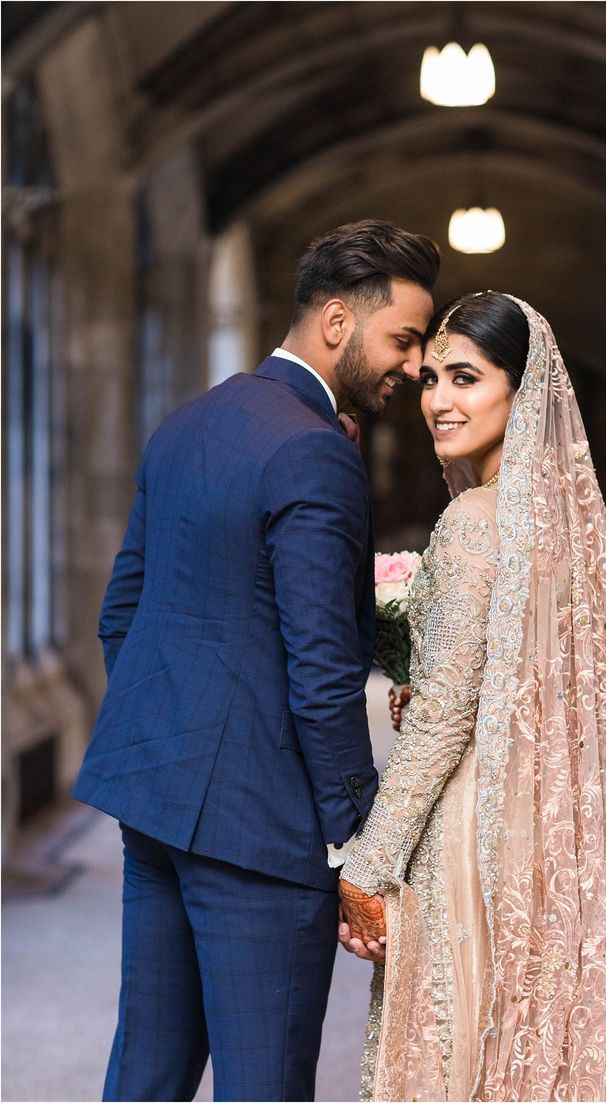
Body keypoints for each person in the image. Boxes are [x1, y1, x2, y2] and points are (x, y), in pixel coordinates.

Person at [72, 219, 439, 1103]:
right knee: (263, 1084)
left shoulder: (188, 422)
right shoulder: (316, 449)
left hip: (155, 803)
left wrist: (175, 739)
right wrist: (360, 842)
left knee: (145, 1078)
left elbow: (122, 611)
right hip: (260, 832)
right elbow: (321, 672)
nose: (416, 366)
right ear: (339, 324)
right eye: (405, 339)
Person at [338, 291, 606, 1102]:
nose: (438, 400)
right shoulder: (565, 530)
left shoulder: (472, 524)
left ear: (521, 393)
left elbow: (442, 724)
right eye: (430, 379)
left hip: (473, 834)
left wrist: (369, 863)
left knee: (467, 1053)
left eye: (464, 377)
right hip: (550, 834)